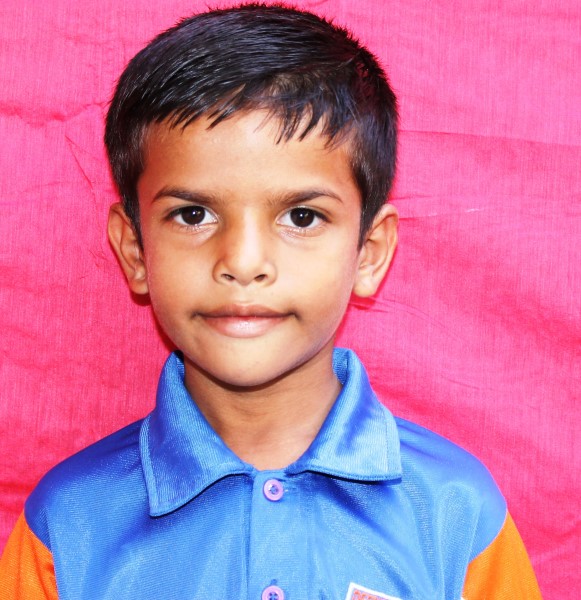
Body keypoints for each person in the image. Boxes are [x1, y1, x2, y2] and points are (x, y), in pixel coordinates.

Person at [0, 4, 542, 599]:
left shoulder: (456, 513)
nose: (243, 261)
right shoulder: (67, 528)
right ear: (135, 251)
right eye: (193, 215)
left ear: (368, 253)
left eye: (301, 216)